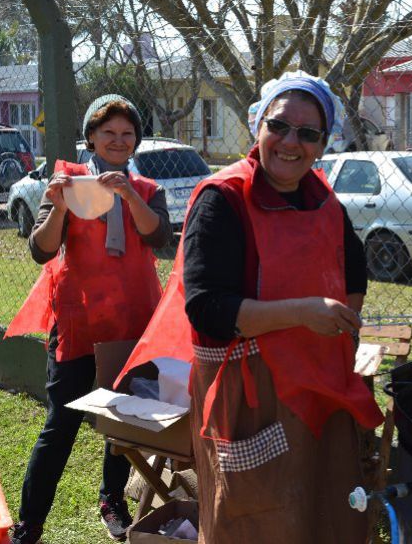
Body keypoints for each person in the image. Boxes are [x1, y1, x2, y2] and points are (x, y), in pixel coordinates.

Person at [119, 72, 384, 542]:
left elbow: (355, 272)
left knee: (322, 509)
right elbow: (206, 308)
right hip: (247, 398)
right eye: (279, 126)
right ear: (257, 125)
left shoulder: (324, 200)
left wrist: (344, 327)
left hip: (319, 391)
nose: (290, 142)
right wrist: (304, 313)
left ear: (323, 143)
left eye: (308, 133)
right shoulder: (222, 199)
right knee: (253, 518)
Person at [4, 95, 172, 544]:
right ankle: (30, 522)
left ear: (136, 140)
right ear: (91, 137)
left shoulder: (148, 190)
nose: (118, 141)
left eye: (127, 133)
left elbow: (159, 237)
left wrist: (128, 193)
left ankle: (111, 500)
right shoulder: (68, 184)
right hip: (80, 324)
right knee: (60, 426)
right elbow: (41, 249)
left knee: (123, 419)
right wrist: (59, 203)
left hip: (132, 323)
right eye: (108, 133)